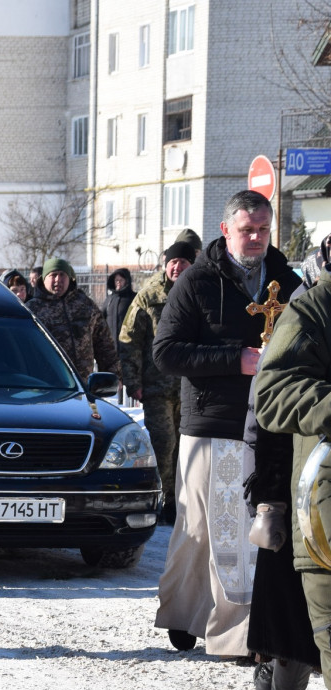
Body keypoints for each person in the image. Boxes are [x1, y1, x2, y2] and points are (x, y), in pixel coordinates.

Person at [153, 190, 301, 657]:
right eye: (246, 230)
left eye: (262, 229)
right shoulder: (197, 281)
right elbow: (166, 351)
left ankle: (239, 632)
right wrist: (236, 359)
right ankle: (188, 612)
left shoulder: (286, 280)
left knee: (243, 530)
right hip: (212, 423)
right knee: (202, 529)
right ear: (225, 230)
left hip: (268, 423)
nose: (255, 238)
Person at [256, 270, 331, 690]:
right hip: (316, 512)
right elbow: (267, 399)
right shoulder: (313, 311)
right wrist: (267, 502)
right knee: (293, 637)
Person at [240, 366, 318, 690]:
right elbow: (263, 423)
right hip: (295, 493)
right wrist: (269, 504)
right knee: (295, 624)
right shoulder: (305, 324)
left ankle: (271, 669)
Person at [118, 242, 195, 525]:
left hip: (191, 387)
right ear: (165, 264)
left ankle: (181, 502)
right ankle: (163, 500)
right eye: (172, 262)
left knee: (187, 447)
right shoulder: (150, 296)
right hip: (157, 387)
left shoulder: (200, 292)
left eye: (183, 262)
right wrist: (132, 380)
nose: (177, 267)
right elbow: (130, 340)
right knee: (164, 444)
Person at [25, 258, 119, 382]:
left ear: (70, 278)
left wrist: (113, 375)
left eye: (62, 275)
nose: (58, 279)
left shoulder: (85, 305)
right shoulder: (32, 310)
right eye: (53, 275)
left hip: (83, 386)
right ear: (43, 279)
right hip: (48, 385)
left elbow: (104, 344)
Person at [103, 268, 135, 345]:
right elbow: (102, 320)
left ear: (126, 281)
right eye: (116, 280)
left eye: (121, 280)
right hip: (111, 346)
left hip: (129, 346)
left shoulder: (133, 299)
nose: (118, 282)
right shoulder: (109, 300)